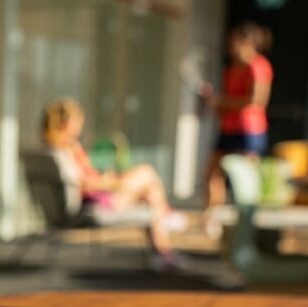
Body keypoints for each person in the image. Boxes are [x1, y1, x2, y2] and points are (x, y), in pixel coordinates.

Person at [41, 97, 183, 268]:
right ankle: (165, 237)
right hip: (93, 204)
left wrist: (108, 179)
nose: (81, 123)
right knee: (147, 175)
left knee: (149, 191)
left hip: (94, 199)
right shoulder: (65, 150)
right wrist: (113, 183)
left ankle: (163, 247)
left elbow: (81, 179)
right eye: (77, 119)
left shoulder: (53, 149)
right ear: (65, 123)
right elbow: (84, 183)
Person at [202, 22, 272, 228]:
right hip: (227, 128)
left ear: (247, 42)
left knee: (247, 180)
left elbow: (256, 101)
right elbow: (225, 104)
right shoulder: (231, 69)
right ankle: (212, 218)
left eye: (235, 40)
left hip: (250, 130)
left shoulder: (258, 66)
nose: (231, 45)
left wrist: (222, 101)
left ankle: (249, 223)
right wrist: (215, 104)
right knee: (212, 174)